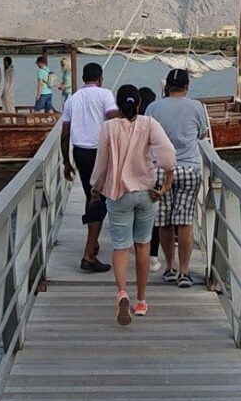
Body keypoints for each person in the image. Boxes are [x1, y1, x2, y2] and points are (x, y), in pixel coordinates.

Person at [90, 84, 175, 325]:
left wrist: (96, 189)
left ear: (117, 105)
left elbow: (102, 164)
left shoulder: (108, 127)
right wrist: (166, 183)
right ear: (138, 104)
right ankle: (140, 301)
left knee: (120, 246)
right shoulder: (149, 123)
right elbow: (167, 153)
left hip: (119, 193)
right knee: (142, 245)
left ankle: (122, 293)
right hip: (147, 193)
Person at [147, 68, 210, 288]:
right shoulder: (196, 107)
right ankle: (184, 272)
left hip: (161, 170)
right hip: (189, 169)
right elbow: (202, 134)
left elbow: (146, 138)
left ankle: (169, 268)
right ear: (186, 87)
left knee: (163, 222)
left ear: (166, 87)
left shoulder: (153, 108)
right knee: (184, 222)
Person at [61, 63, 117, 272]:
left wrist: (66, 161)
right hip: (99, 151)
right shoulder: (104, 94)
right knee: (98, 198)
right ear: (100, 78)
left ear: (84, 78)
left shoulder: (72, 99)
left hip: (79, 152)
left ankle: (93, 241)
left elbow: (65, 133)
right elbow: (114, 118)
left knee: (89, 194)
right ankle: (88, 256)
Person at [138, 86, 161, 272]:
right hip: (151, 174)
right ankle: (152, 257)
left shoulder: (123, 124)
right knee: (152, 216)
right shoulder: (153, 124)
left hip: (129, 180)